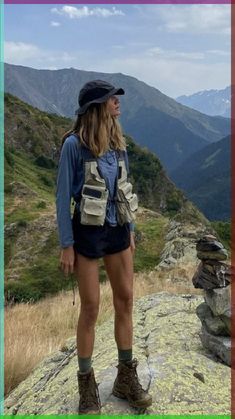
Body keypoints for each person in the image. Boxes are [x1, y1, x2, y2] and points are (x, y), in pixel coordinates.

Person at [56, 80, 152, 414]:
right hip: (87, 233)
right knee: (91, 307)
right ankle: (86, 385)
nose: (117, 103)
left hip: (118, 229)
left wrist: (131, 231)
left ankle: (126, 378)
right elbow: (62, 197)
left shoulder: (117, 143)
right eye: (112, 99)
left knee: (125, 298)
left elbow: (124, 186)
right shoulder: (73, 145)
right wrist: (66, 244)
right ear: (97, 106)